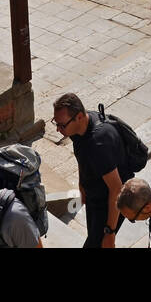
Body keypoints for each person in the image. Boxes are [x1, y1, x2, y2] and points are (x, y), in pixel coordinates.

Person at [54, 93, 132, 248]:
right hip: (94, 196)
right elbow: (81, 155)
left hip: (109, 202)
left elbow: (116, 189)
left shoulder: (98, 145)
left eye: (62, 125)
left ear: (80, 117)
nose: (58, 130)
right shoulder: (78, 128)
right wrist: (82, 186)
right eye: (56, 123)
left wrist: (110, 233)